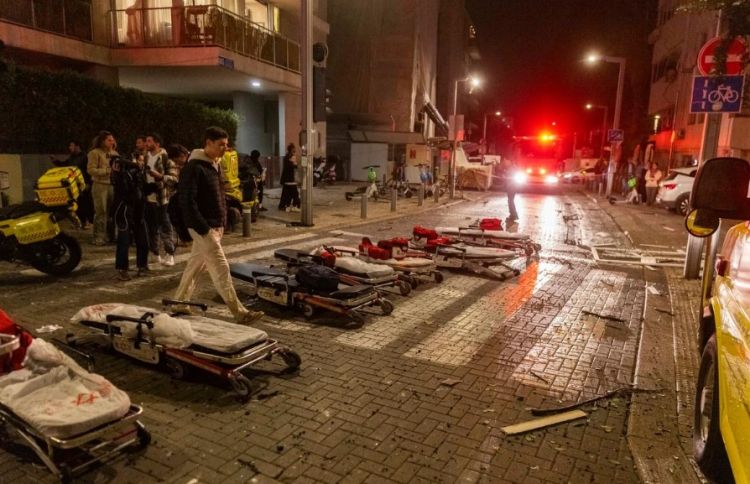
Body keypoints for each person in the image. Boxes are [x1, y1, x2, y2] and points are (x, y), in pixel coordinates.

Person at [174, 127, 263, 324]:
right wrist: (203, 228)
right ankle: (239, 312)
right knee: (221, 268)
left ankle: (179, 302)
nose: (225, 148)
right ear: (208, 143)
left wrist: (222, 222)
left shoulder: (214, 165)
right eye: (221, 145)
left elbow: (218, 196)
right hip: (204, 228)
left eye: (226, 144)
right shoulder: (194, 167)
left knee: (194, 267)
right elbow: (187, 201)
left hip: (214, 227)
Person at [111, 154, 149, 281]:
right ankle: (122, 270)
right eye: (139, 161)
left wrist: (155, 186)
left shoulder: (139, 174)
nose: (141, 163)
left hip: (138, 210)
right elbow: (122, 190)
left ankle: (142, 266)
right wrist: (118, 173)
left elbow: (143, 190)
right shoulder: (121, 174)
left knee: (143, 239)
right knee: (124, 241)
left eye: (142, 161)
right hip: (124, 211)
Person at [144, 133, 175, 266]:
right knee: (151, 227)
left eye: (149, 141)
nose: (146, 143)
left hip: (162, 198)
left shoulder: (165, 158)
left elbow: (174, 178)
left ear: (157, 143)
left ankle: (170, 253)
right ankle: (155, 253)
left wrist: (160, 176)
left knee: (164, 226)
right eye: (146, 141)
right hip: (148, 197)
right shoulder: (145, 157)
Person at [87, 131, 118, 246]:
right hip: (100, 185)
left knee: (111, 212)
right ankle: (99, 237)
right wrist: (107, 171)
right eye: (109, 140)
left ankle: (110, 236)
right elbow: (91, 170)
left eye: (112, 140)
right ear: (102, 141)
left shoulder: (115, 153)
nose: (112, 142)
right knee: (101, 212)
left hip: (112, 185)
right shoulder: (94, 153)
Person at [278, 143, 301, 212]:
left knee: (287, 193)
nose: (295, 150)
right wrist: (294, 163)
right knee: (294, 193)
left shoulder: (287, 157)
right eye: (294, 149)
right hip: (289, 179)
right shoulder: (290, 157)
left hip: (287, 178)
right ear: (291, 149)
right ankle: (295, 206)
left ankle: (285, 206)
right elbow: (293, 166)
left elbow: (292, 166)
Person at [499, 158, 518, 222]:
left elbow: (510, 176)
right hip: (511, 186)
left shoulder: (512, 168)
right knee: (510, 200)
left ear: (509, 161)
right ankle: (513, 215)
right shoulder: (512, 167)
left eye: (506, 161)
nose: (505, 162)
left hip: (512, 187)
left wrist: (504, 176)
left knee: (510, 201)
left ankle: (514, 215)